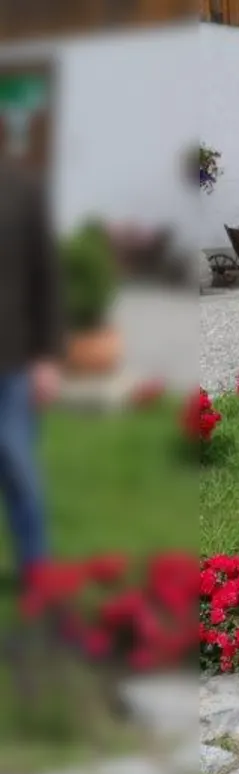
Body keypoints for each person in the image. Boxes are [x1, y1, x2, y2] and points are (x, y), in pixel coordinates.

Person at [0, 164, 63, 590]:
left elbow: (47, 277)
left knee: (20, 470)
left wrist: (47, 357)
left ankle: (38, 582)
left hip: (13, 359)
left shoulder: (23, 191)